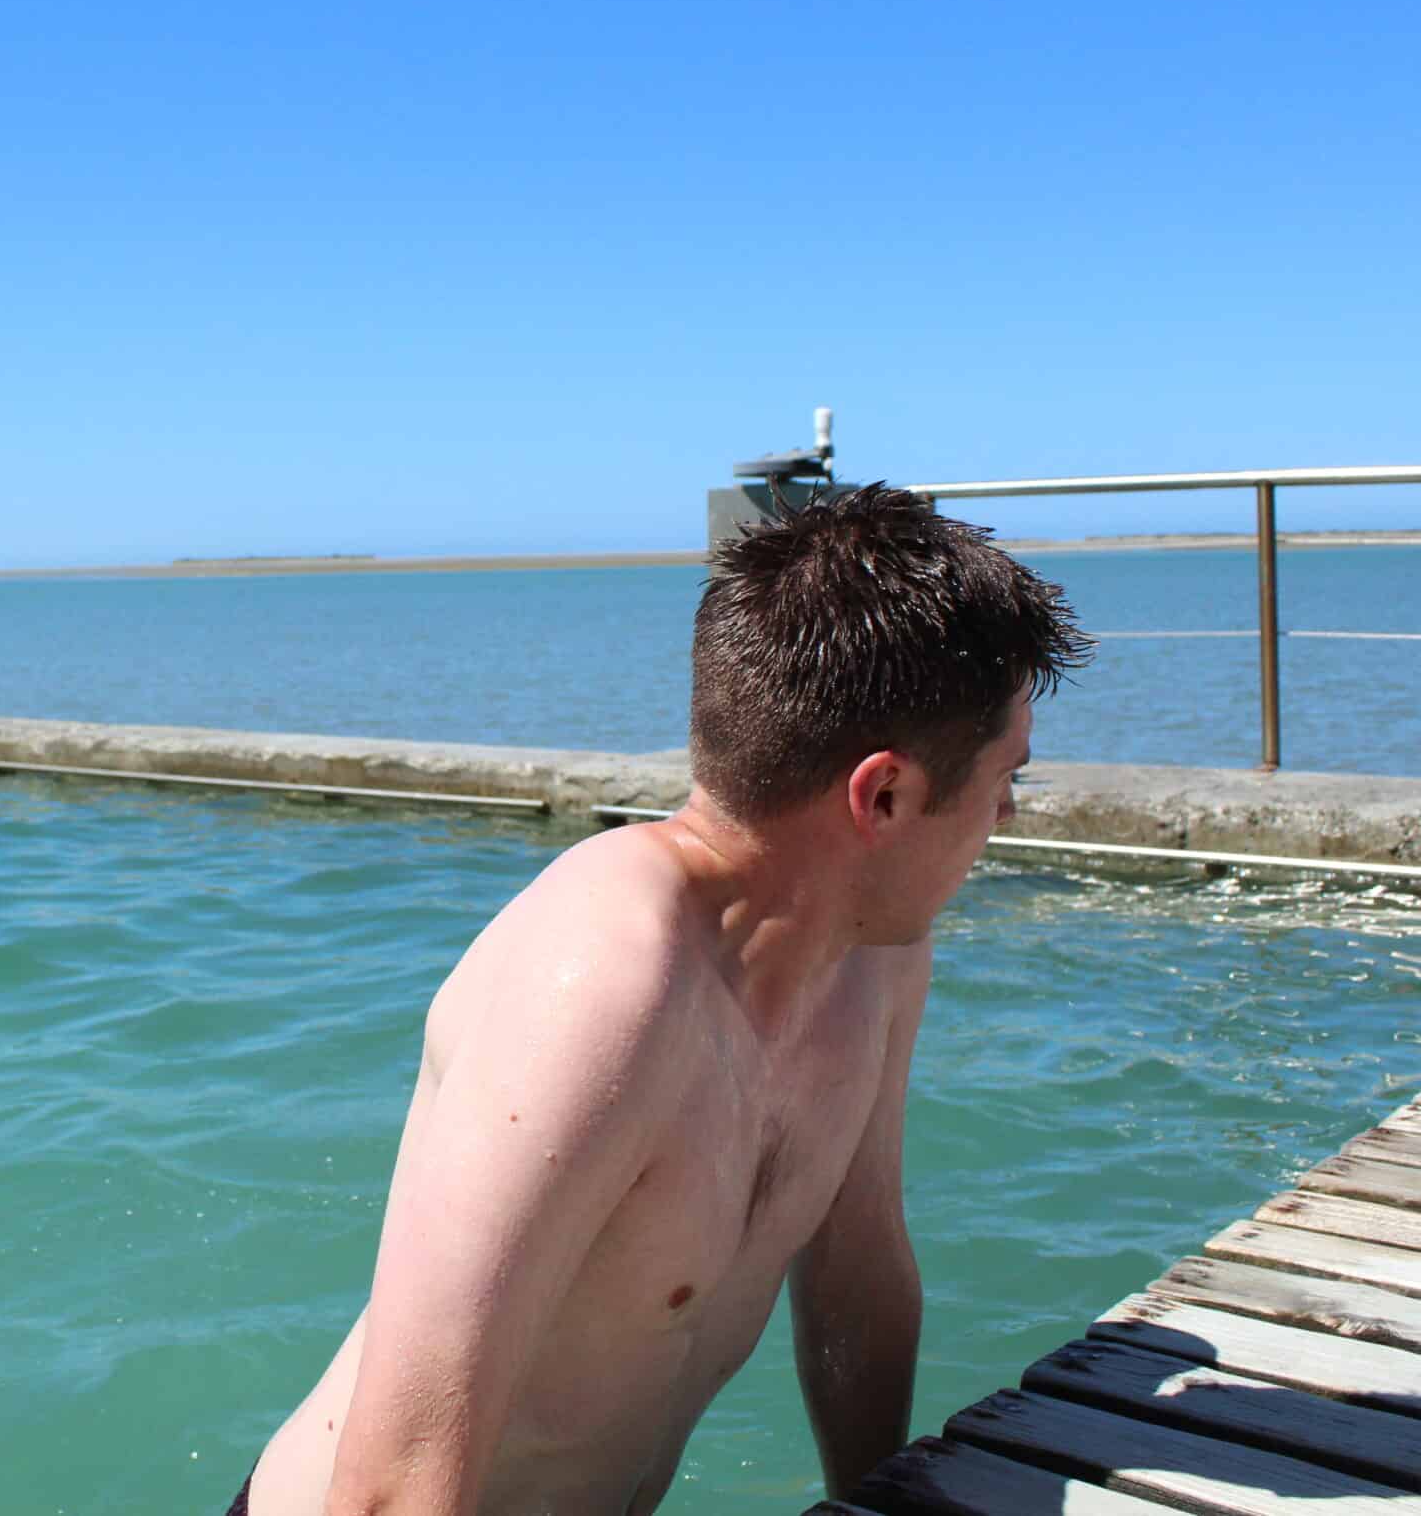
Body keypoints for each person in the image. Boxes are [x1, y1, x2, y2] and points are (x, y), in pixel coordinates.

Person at [226, 486, 1088, 1516]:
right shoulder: (603, 988)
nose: (1005, 814)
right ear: (884, 797)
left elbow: (856, 1273)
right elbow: (391, 1484)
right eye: (1008, 778)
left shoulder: (876, 956)